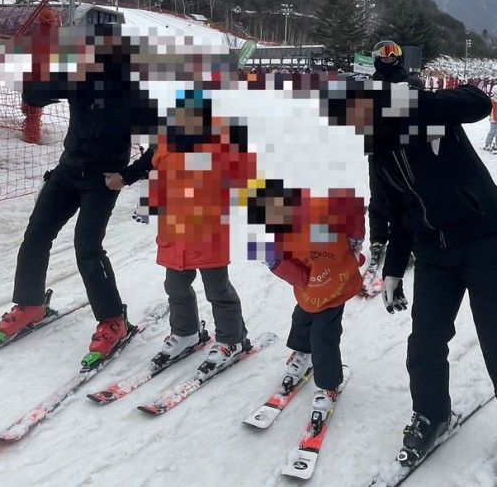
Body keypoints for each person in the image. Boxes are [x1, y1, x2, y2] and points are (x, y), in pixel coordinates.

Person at [330, 81, 497, 467]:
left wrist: (415, 99)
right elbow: (396, 215)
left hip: (485, 240)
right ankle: (432, 414)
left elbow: (477, 101)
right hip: (434, 254)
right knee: (425, 343)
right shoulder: (380, 155)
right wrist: (392, 270)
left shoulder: (426, 116)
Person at [0, 25, 157, 363]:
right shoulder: (79, 78)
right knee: (36, 235)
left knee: (87, 248)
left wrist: (126, 177)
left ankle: (114, 321)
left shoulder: (134, 92)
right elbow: (34, 96)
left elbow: (161, 148)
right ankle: (31, 304)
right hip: (68, 172)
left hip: (102, 180)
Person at [118, 90, 257, 375]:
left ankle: (232, 339)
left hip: (208, 229)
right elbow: (153, 170)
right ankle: (186, 333)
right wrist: (141, 198)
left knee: (217, 288)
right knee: (175, 285)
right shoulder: (166, 141)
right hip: (174, 229)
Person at [245, 180, 365, 424]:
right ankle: (302, 353)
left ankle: (328, 383)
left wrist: (355, 238)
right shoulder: (278, 238)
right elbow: (287, 268)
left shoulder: (320, 210)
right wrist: (291, 272)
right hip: (311, 290)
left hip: (337, 283)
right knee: (301, 318)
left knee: (323, 335)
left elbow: (352, 203)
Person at [367, 40, 424, 268]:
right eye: (385, 55)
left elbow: (418, 111)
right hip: (378, 148)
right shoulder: (371, 84)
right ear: (377, 58)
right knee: (378, 195)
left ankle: (409, 241)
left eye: (393, 54)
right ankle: (378, 238)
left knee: (407, 196)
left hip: (404, 150)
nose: (389, 58)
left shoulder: (410, 82)